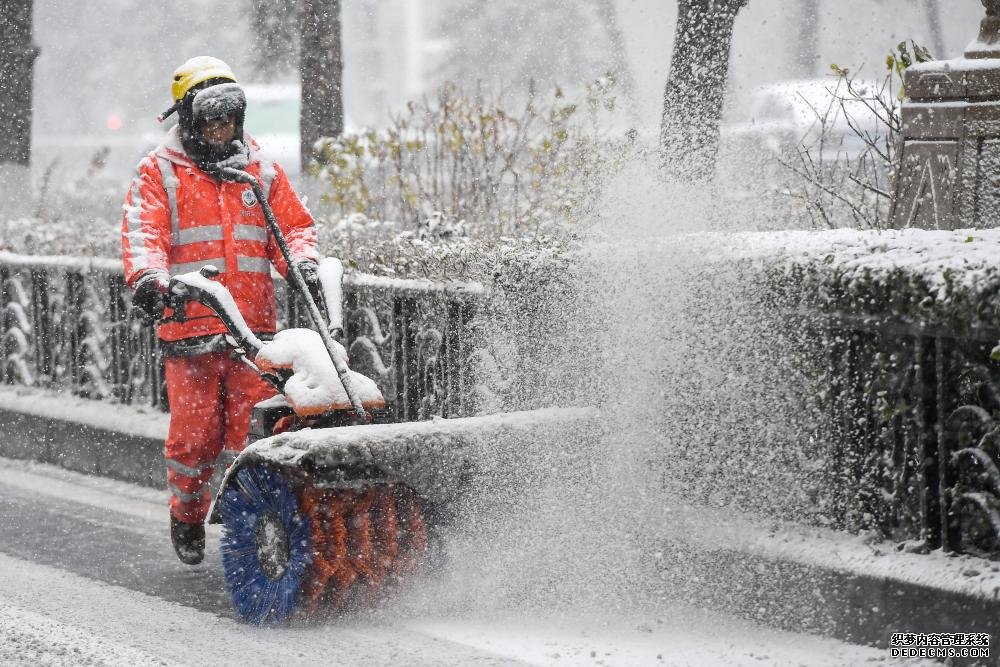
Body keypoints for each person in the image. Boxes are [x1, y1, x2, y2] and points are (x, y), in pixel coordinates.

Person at [120, 56, 324, 565]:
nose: (220, 128)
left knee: (250, 433)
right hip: (188, 328)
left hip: (251, 333)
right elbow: (144, 234)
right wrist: (149, 278)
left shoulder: (260, 171)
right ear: (188, 120)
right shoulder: (159, 173)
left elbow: (293, 229)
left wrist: (304, 265)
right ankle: (187, 513)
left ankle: (247, 527)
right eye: (210, 118)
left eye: (229, 118)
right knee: (195, 437)